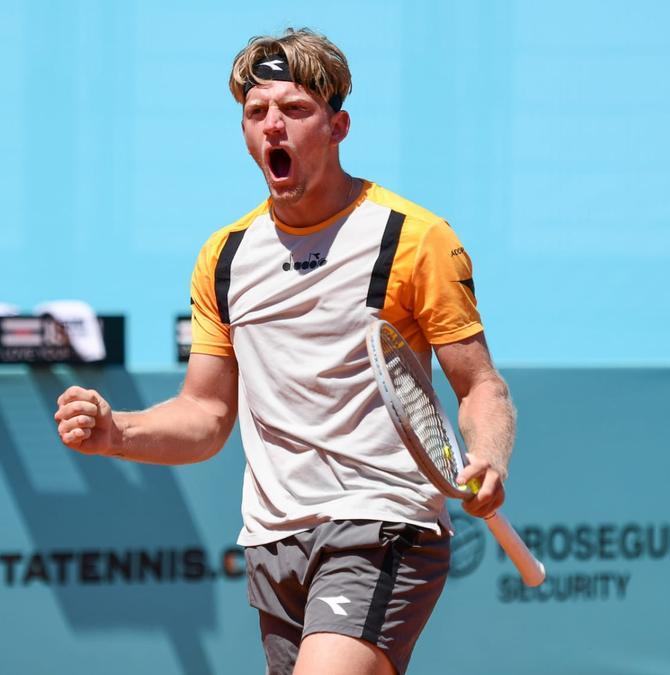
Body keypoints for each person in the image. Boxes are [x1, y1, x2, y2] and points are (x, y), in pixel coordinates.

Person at [54, 28, 516, 675]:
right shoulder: (226, 257)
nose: (273, 126)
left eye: (294, 110)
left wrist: (489, 456)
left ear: (338, 125)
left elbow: (480, 386)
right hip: (274, 541)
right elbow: (207, 414)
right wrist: (115, 432)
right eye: (256, 112)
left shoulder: (414, 238)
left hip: (380, 522)